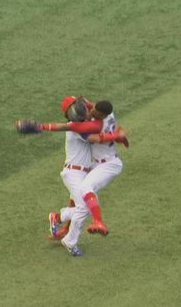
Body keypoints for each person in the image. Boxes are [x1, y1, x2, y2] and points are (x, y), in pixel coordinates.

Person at [18, 97, 128, 256]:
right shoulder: (77, 128)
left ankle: (59, 218)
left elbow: (89, 110)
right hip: (74, 173)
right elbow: (92, 136)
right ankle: (70, 241)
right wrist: (118, 136)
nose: (86, 111)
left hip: (86, 171)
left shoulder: (88, 121)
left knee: (81, 204)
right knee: (85, 208)